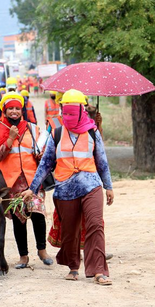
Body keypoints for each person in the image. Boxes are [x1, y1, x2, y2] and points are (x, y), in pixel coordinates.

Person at [22, 89, 114, 285]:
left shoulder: (92, 131)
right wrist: (33, 188)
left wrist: (108, 186)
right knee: (70, 230)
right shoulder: (56, 133)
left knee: (95, 225)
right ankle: (73, 266)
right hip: (65, 189)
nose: (69, 116)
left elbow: (102, 161)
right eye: (66, 112)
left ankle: (98, 270)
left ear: (82, 111)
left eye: (73, 112)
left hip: (92, 186)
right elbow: (46, 164)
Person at [0, 91, 53, 269]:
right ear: (5, 111)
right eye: (10, 109)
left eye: (17, 108)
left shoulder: (33, 128)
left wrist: (40, 154)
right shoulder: (0, 130)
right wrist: (9, 138)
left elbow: (44, 151)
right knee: (18, 219)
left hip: (33, 180)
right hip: (12, 183)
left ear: (22, 110)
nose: (14, 112)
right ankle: (23, 256)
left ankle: (42, 251)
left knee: (38, 215)